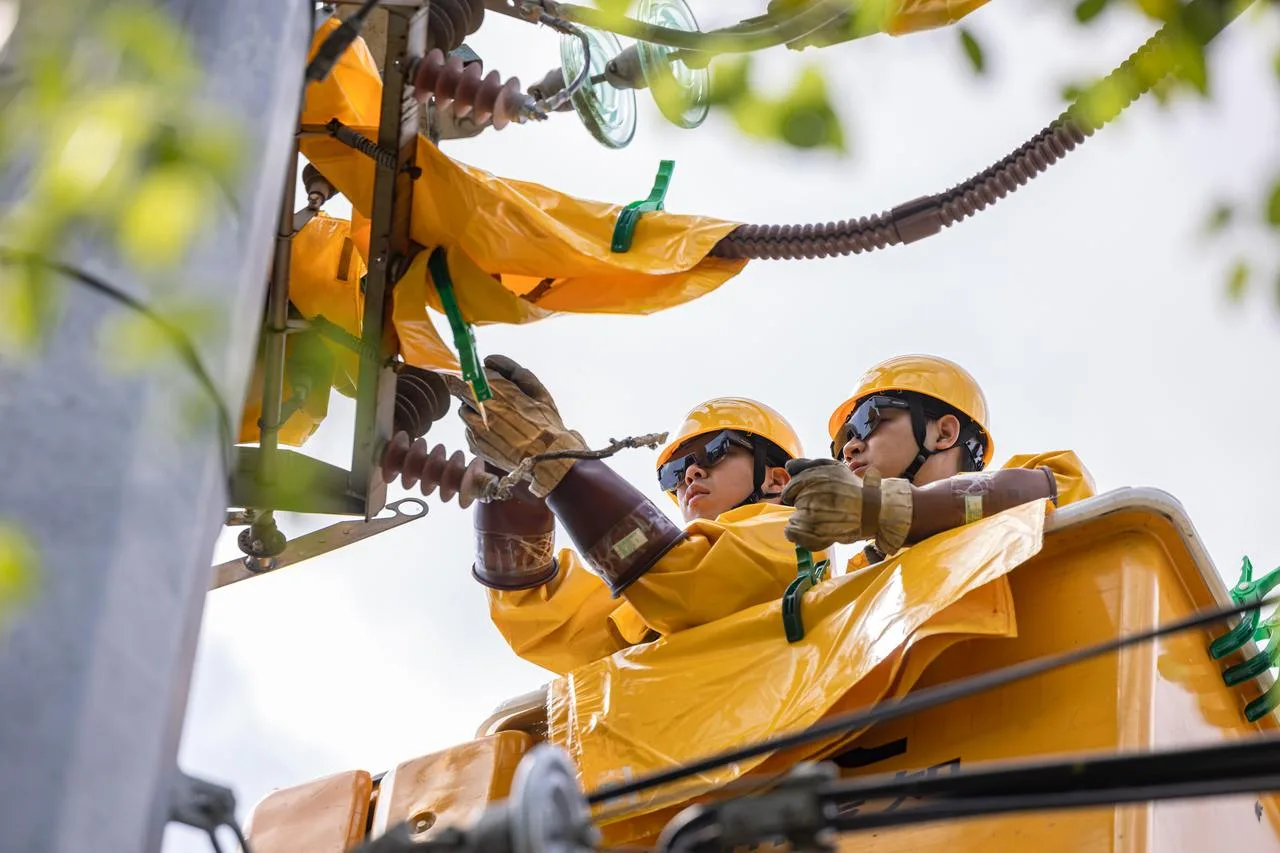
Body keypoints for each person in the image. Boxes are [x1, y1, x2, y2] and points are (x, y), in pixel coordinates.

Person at [454, 355, 822, 675]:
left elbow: (691, 578)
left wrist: (552, 455)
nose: (690, 474)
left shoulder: (801, 537)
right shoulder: (652, 599)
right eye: (675, 472)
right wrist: (512, 476)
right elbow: (544, 621)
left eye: (714, 451)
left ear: (776, 479)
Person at [780, 354, 1095, 570]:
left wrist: (885, 508)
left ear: (944, 433)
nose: (850, 447)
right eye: (842, 440)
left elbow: (1052, 490)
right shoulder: (862, 575)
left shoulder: (1042, 484)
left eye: (868, 420)